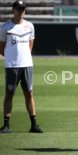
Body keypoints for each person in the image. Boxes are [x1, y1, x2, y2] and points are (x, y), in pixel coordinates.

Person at [0, 0, 43, 133]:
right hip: (12, 66)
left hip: (27, 65)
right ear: (13, 10)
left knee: (29, 93)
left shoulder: (30, 26)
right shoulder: (5, 27)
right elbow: (1, 48)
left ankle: (34, 124)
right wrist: (11, 58)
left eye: (23, 9)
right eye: (18, 9)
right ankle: (6, 125)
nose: (21, 11)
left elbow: (30, 46)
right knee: (9, 93)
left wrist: (24, 58)